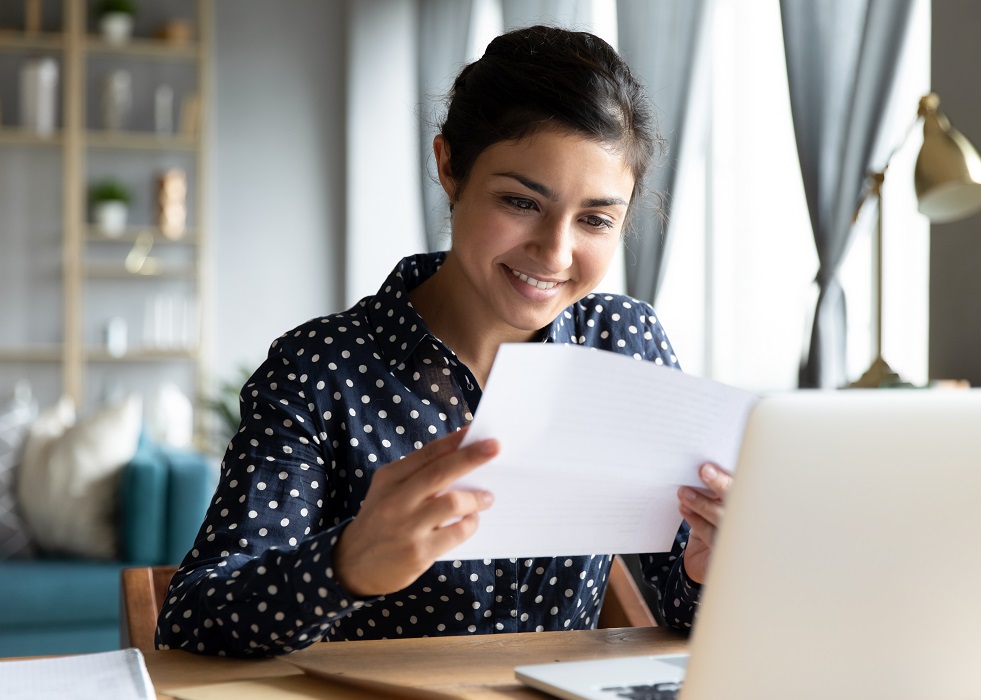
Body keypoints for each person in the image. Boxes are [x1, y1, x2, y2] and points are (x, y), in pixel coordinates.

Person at [156, 24, 731, 657]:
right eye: (520, 201)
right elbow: (192, 618)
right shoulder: (318, 370)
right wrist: (341, 567)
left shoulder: (626, 343)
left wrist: (712, 568)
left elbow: (681, 605)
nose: (555, 252)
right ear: (449, 166)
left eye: (595, 219)